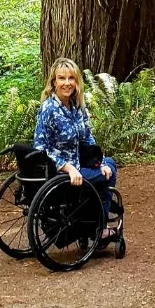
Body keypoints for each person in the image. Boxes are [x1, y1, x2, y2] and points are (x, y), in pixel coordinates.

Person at [34, 57, 119, 240]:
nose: (67, 83)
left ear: (76, 81)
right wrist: (68, 167)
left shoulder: (76, 106)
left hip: (78, 162)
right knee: (106, 177)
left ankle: (94, 215)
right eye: (61, 78)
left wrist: (100, 162)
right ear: (54, 82)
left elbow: (87, 137)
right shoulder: (49, 109)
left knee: (109, 166)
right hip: (60, 173)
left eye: (71, 78)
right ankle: (98, 227)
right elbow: (41, 148)